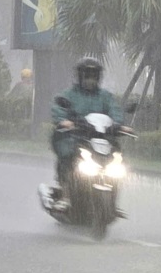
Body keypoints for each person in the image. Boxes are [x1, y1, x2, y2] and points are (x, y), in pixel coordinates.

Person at [50, 57, 126, 211]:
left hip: (101, 138)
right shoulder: (69, 94)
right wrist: (64, 121)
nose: (90, 78)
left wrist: (118, 125)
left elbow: (115, 111)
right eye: (87, 74)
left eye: (94, 75)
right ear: (80, 75)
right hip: (75, 136)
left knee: (116, 156)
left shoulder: (105, 96)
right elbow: (59, 109)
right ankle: (66, 194)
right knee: (68, 155)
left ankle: (113, 199)